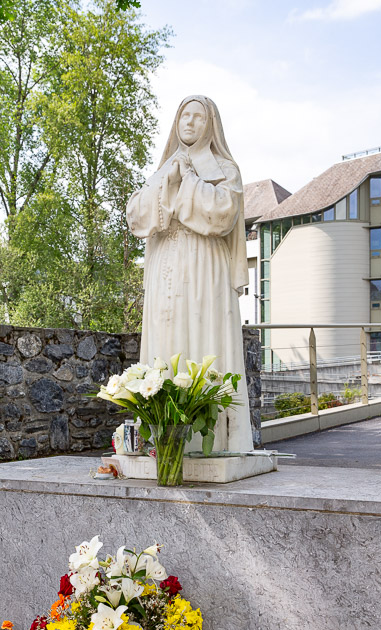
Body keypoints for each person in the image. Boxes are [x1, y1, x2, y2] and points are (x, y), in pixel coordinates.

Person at [126, 95, 253, 452]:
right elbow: (136, 216)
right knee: (165, 344)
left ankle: (207, 440)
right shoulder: (164, 169)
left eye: (198, 117)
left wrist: (188, 181)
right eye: (185, 115)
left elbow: (223, 213)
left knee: (203, 339)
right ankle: (162, 439)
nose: (190, 122)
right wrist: (167, 180)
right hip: (165, 268)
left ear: (210, 125)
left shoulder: (225, 170)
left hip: (204, 268)